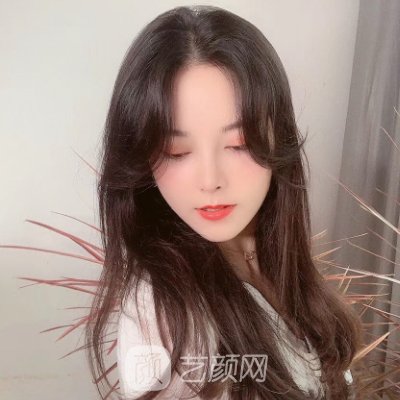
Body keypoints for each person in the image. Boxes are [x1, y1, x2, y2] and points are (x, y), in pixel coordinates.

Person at [86, 5, 362, 399]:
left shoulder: (277, 261)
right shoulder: (163, 317)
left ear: (277, 138)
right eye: (177, 151)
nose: (211, 180)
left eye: (239, 144)